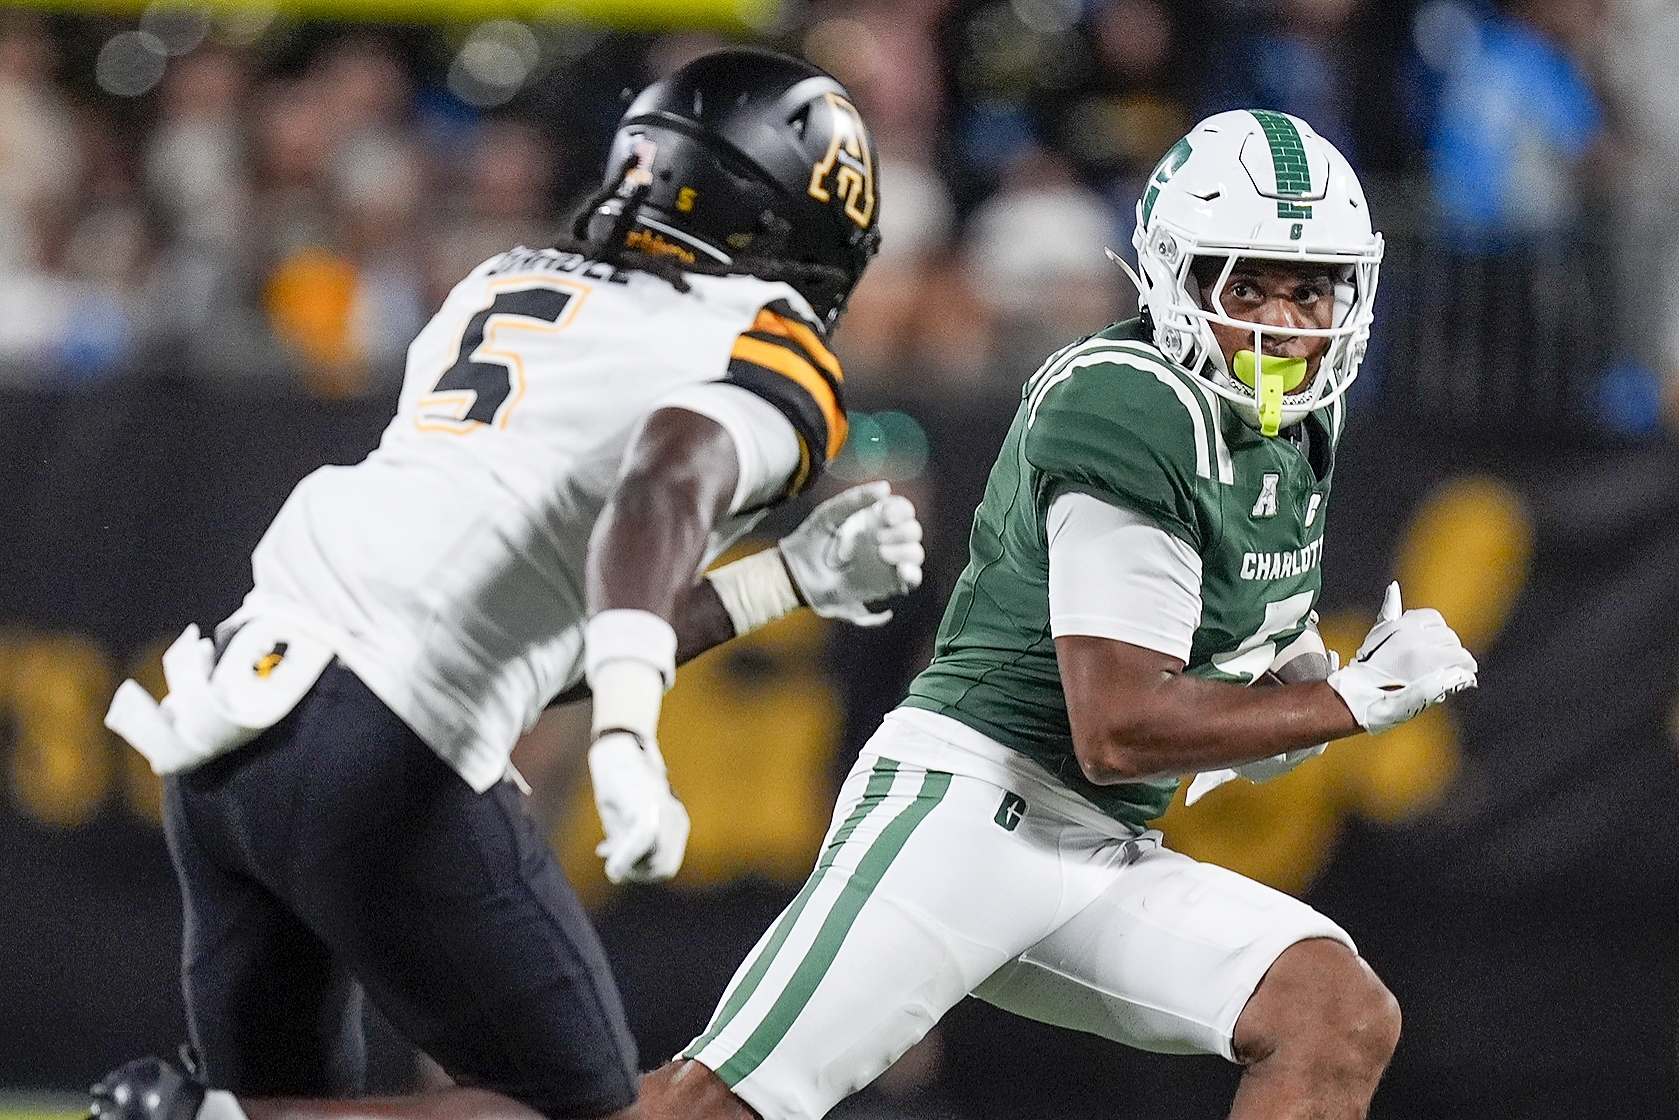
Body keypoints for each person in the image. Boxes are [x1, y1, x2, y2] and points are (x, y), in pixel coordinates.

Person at [97, 47, 920, 1120]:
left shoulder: (503, 281)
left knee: (293, 1099)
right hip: (380, 748)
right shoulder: (760, 339)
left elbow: (542, 638)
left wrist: (787, 577)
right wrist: (630, 733)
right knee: (574, 1108)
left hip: (232, 729)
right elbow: (665, 476)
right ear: (781, 222)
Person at [641, 110, 1479, 1120]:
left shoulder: (1297, 415)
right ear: (1175, 278)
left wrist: (1291, 685)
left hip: (1094, 844)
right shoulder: (1126, 402)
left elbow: (1207, 690)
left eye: (1307, 289)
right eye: (1244, 284)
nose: (1282, 324)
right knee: (698, 1112)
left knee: (1332, 1012)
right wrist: (1346, 700)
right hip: (966, 815)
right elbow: (1119, 725)